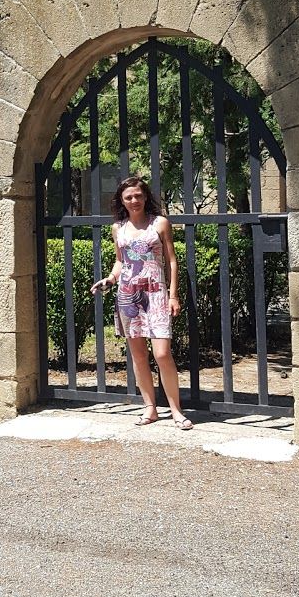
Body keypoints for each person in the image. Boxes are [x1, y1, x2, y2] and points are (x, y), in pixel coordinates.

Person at [91, 175, 193, 430]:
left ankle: (176, 410)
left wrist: (173, 295)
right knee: (138, 355)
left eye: (138, 195)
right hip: (128, 295)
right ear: (122, 201)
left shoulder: (160, 223)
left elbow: (171, 261)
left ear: (145, 197)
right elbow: (120, 261)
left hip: (156, 294)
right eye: (128, 197)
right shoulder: (118, 228)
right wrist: (110, 279)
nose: (134, 200)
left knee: (162, 354)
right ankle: (150, 408)